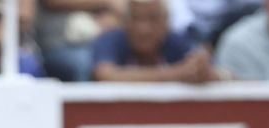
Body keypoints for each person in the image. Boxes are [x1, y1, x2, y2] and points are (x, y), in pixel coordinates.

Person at [90, 0, 221, 81]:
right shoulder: (109, 40)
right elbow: (106, 75)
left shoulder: (175, 41)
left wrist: (201, 70)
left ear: (166, 22)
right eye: (136, 18)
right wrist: (177, 74)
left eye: (152, 19)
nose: (144, 29)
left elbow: (206, 71)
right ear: (124, 22)